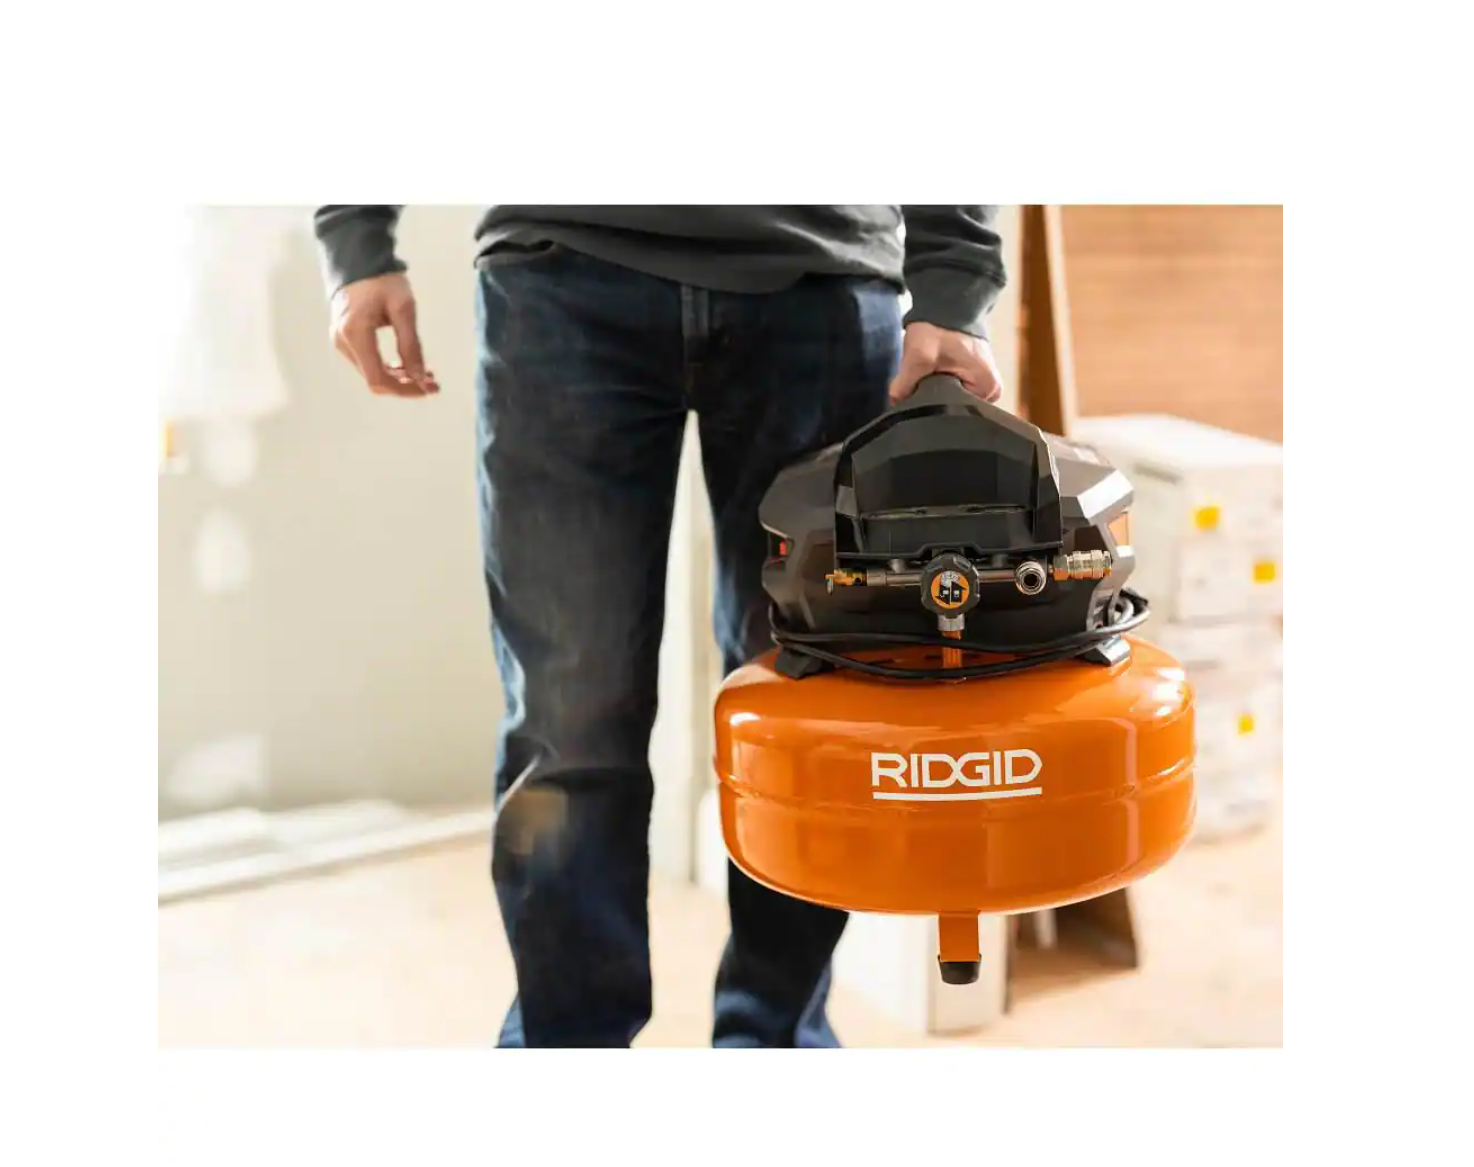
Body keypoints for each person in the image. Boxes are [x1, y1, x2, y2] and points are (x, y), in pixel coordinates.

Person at [313, 206, 1008, 1048]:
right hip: (560, 267)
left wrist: (953, 277)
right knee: (568, 728)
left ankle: (776, 1041)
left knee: (807, 723)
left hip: (821, 275)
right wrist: (356, 235)